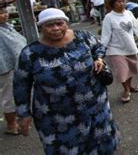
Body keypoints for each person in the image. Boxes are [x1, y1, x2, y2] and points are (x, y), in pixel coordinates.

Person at [13, 8, 119, 154]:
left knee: (101, 143)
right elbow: (21, 84)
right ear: (41, 27)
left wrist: (99, 58)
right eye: (49, 25)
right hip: (57, 117)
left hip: (95, 107)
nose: (55, 28)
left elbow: (98, 47)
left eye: (59, 23)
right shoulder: (30, 53)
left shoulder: (83, 36)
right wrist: (23, 114)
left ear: (66, 23)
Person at [101, 0, 138, 103]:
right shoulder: (109, 17)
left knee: (131, 69)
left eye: (123, 1)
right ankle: (126, 89)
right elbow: (105, 35)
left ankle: (130, 86)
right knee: (122, 71)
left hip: (130, 47)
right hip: (115, 49)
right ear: (113, 3)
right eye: (119, 1)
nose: (122, 3)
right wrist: (101, 51)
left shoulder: (129, 13)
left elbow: (136, 27)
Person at [0, 6, 26, 135]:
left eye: (5, 12)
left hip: (16, 65)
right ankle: (11, 124)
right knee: (9, 96)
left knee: (18, 93)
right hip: (5, 66)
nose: (5, 15)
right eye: (1, 13)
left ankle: (19, 120)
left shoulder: (7, 26)